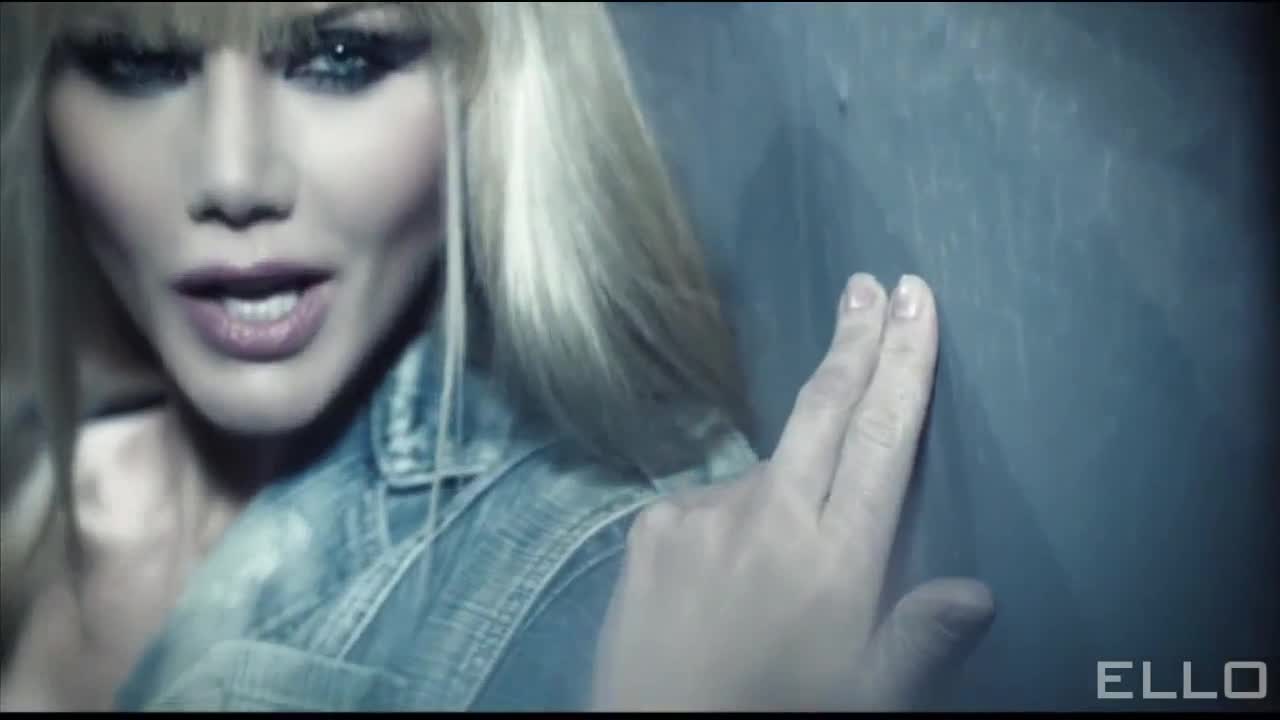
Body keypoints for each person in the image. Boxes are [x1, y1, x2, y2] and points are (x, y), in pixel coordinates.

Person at [0, 2, 995, 711]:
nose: (232, 176)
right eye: (135, 60)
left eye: (341, 54)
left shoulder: (596, 587)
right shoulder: (37, 462)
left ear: (493, 82)